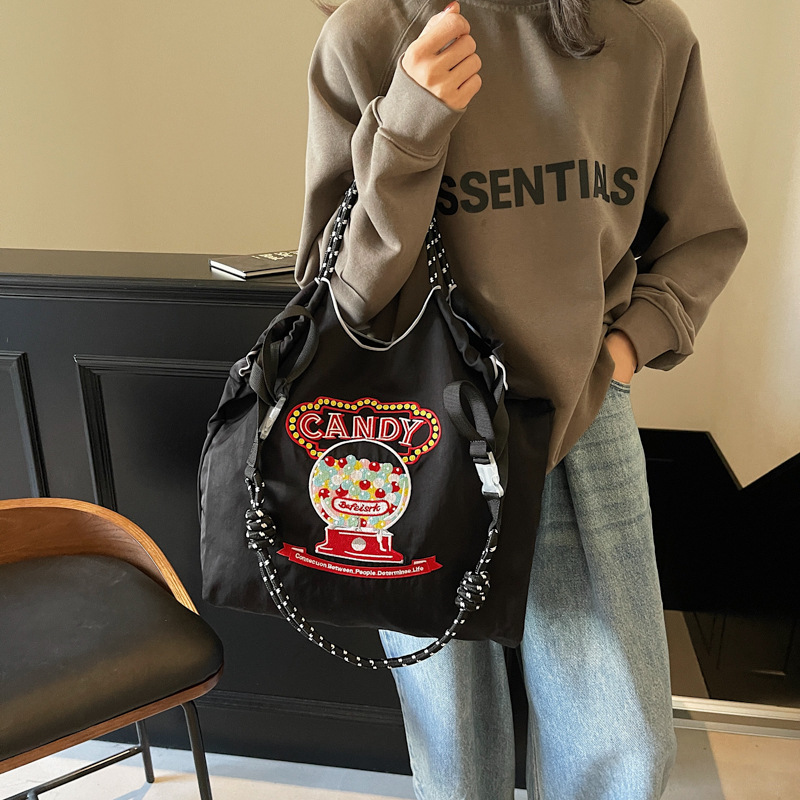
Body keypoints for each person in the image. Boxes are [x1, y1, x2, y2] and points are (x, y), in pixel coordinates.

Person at [293, 0, 749, 797]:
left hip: (584, 417)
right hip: (417, 433)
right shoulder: (368, 35)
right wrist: (409, 128)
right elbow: (340, 299)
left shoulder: (647, 34)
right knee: (454, 739)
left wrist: (621, 353)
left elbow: (702, 236)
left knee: (622, 742)